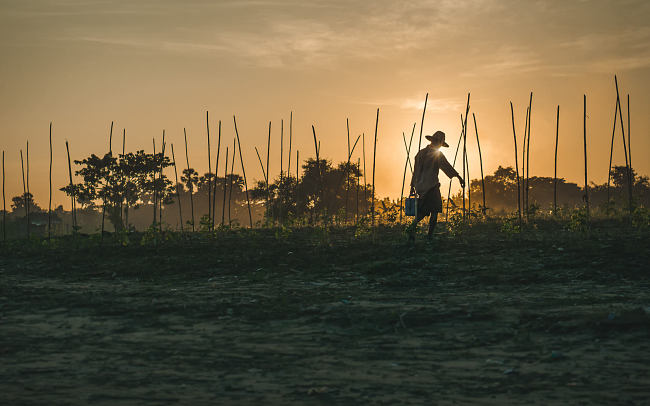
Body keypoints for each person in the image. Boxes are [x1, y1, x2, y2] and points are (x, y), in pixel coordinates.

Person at [408, 131, 464, 241]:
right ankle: (429, 236)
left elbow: (415, 171)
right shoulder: (437, 154)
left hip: (421, 187)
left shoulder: (420, 153)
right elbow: (447, 167)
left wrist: (412, 186)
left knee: (423, 211)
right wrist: (459, 177)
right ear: (436, 142)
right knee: (434, 211)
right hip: (431, 186)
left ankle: (411, 231)